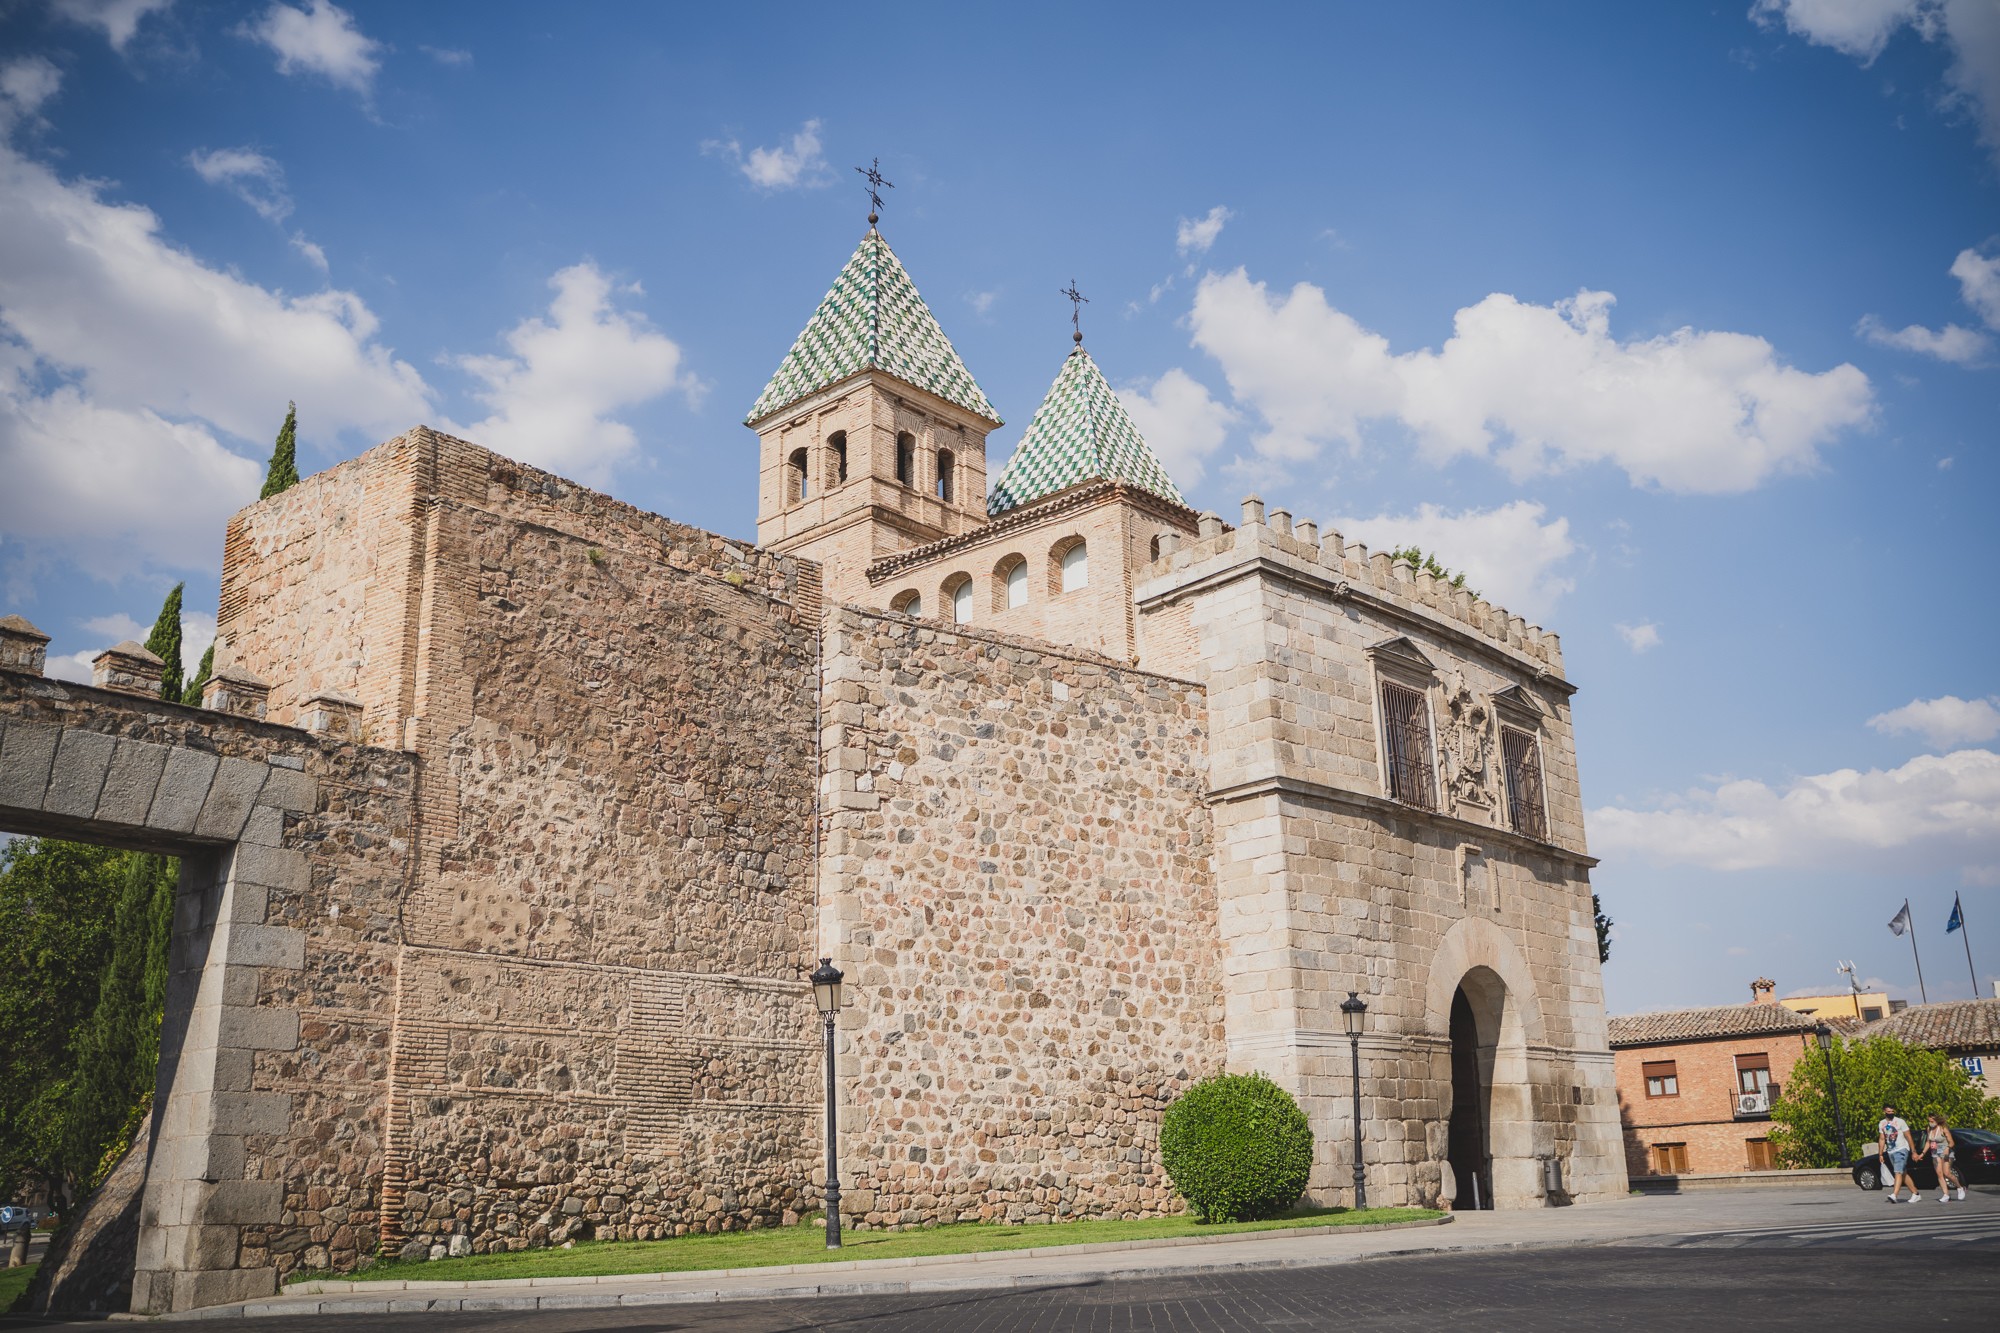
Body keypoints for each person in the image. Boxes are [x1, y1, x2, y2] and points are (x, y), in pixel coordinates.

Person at [1878, 1104, 1919, 1203]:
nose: (1891, 1113)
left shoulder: (1900, 1122)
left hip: (1901, 1149)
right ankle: (1916, 1194)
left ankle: (1894, 1195)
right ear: (1884, 1112)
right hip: (1891, 1151)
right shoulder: (1882, 1123)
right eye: (1889, 1112)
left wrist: (1913, 1151)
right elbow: (1882, 1139)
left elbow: (1908, 1136)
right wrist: (1880, 1154)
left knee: (1898, 1172)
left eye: (1892, 1111)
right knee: (1902, 1172)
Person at [1922, 1113, 1965, 1202]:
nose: (1930, 1123)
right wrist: (1922, 1153)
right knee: (1939, 1174)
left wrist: (1947, 1148)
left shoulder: (1943, 1128)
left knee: (1947, 1173)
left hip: (1946, 1152)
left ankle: (1960, 1187)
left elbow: (1952, 1142)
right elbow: (1928, 1142)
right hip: (1935, 1152)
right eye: (1929, 1121)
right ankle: (1946, 1194)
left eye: (1932, 1121)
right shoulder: (1929, 1129)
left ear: (1937, 1121)